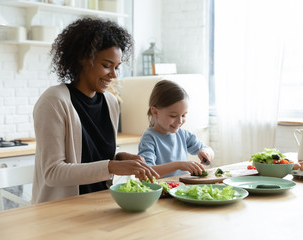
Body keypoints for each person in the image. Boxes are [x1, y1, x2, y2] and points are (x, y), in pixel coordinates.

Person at [32, 18, 159, 204]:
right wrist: (112, 166)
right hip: (61, 211)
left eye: (117, 67)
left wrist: (120, 158)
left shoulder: (111, 102)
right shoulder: (54, 101)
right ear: (84, 59)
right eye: (107, 65)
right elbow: (53, 173)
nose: (114, 74)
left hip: (100, 204)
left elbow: (94, 156)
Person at [138, 80, 215, 178]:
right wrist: (179, 165)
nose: (179, 121)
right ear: (155, 112)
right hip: (162, 191)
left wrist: (205, 152)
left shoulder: (183, 134)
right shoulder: (149, 138)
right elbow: (147, 171)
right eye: (173, 116)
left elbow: (207, 149)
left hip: (181, 189)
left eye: (183, 115)